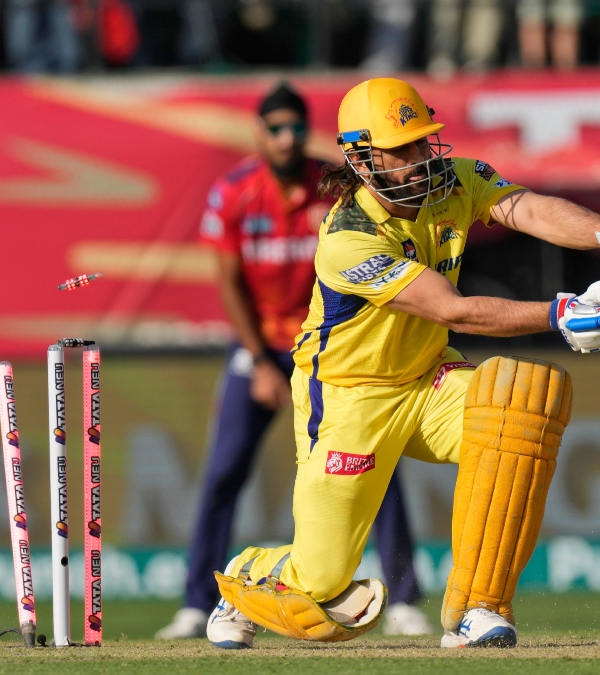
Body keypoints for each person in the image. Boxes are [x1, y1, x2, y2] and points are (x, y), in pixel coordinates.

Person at [205, 77, 600, 649]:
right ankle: (247, 577)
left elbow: (526, 208)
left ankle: (477, 607)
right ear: (361, 158)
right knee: (322, 579)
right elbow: (453, 308)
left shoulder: (454, 180)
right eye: (402, 150)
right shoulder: (348, 239)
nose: (419, 161)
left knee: (517, 412)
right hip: (349, 399)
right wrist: (563, 313)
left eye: (421, 143)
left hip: (427, 380)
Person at [155, 82, 434, 640]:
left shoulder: (337, 186)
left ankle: (402, 598)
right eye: (275, 128)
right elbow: (229, 283)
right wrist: (258, 360)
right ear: (258, 132)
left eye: (295, 128)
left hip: (329, 345)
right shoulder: (234, 190)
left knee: (372, 465)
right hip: (259, 346)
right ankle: (197, 601)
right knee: (225, 470)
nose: (286, 138)